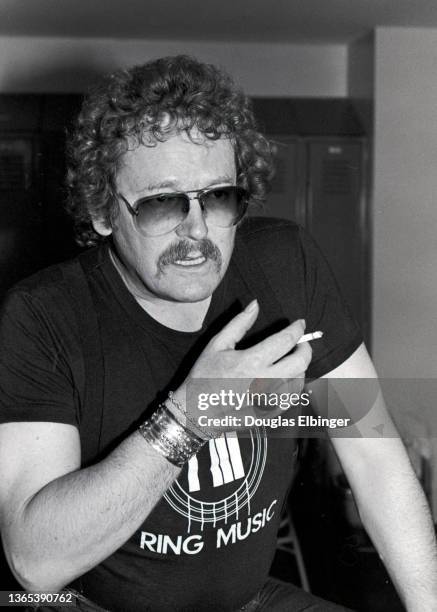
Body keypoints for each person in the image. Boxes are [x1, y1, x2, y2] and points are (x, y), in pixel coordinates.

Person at [0, 55, 436, 612]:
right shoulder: (44, 317)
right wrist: (189, 416)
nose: (197, 231)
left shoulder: (285, 267)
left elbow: (373, 455)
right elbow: (36, 565)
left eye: (219, 196)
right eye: (161, 203)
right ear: (103, 212)